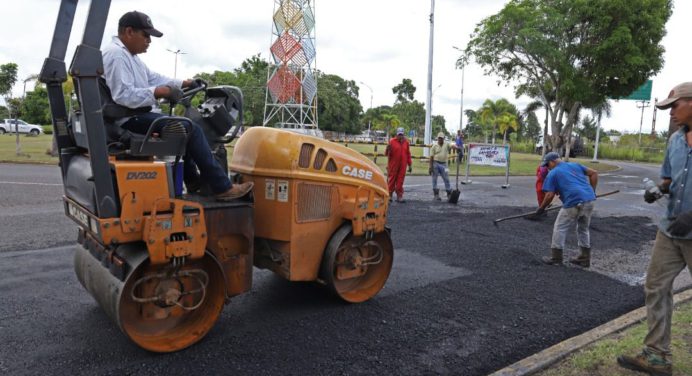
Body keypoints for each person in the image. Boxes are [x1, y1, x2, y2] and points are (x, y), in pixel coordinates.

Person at [102, 10, 252, 201]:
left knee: (182, 129)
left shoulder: (131, 57)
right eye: (145, 35)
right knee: (192, 129)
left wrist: (184, 83)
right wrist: (159, 92)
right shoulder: (116, 55)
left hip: (133, 116)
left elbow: (154, 78)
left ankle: (193, 182)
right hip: (127, 119)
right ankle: (223, 187)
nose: (149, 40)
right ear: (129, 32)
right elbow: (123, 95)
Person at [617, 82, 692, 376]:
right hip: (671, 230)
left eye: (674, 106)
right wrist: (658, 191)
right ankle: (657, 355)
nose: (670, 113)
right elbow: (668, 179)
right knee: (656, 286)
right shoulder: (675, 140)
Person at [529, 151, 598, 267]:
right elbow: (594, 173)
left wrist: (541, 209)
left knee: (559, 228)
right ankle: (585, 258)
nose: (547, 168)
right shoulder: (575, 165)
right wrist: (592, 191)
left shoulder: (553, 173)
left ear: (553, 162)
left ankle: (556, 258)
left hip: (573, 202)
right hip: (589, 201)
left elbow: (549, 195)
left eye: (547, 165)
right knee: (583, 229)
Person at [385, 127, 412, 203]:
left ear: (403, 134)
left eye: (401, 134)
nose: (400, 136)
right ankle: (389, 195)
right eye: (399, 134)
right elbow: (387, 154)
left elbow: (408, 154)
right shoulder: (392, 141)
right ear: (397, 134)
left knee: (400, 181)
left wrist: (410, 165)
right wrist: (387, 149)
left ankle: (399, 196)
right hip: (393, 165)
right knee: (392, 181)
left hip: (403, 166)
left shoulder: (406, 142)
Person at [429, 132, 458, 200]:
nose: (440, 139)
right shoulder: (434, 146)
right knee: (434, 179)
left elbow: (452, 146)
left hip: (444, 164)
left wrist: (457, 148)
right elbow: (431, 157)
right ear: (437, 138)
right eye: (439, 138)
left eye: (441, 138)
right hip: (435, 163)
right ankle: (436, 195)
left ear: (443, 138)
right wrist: (430, 167)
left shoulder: (446, 144)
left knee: (447, 178)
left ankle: (449, 193)